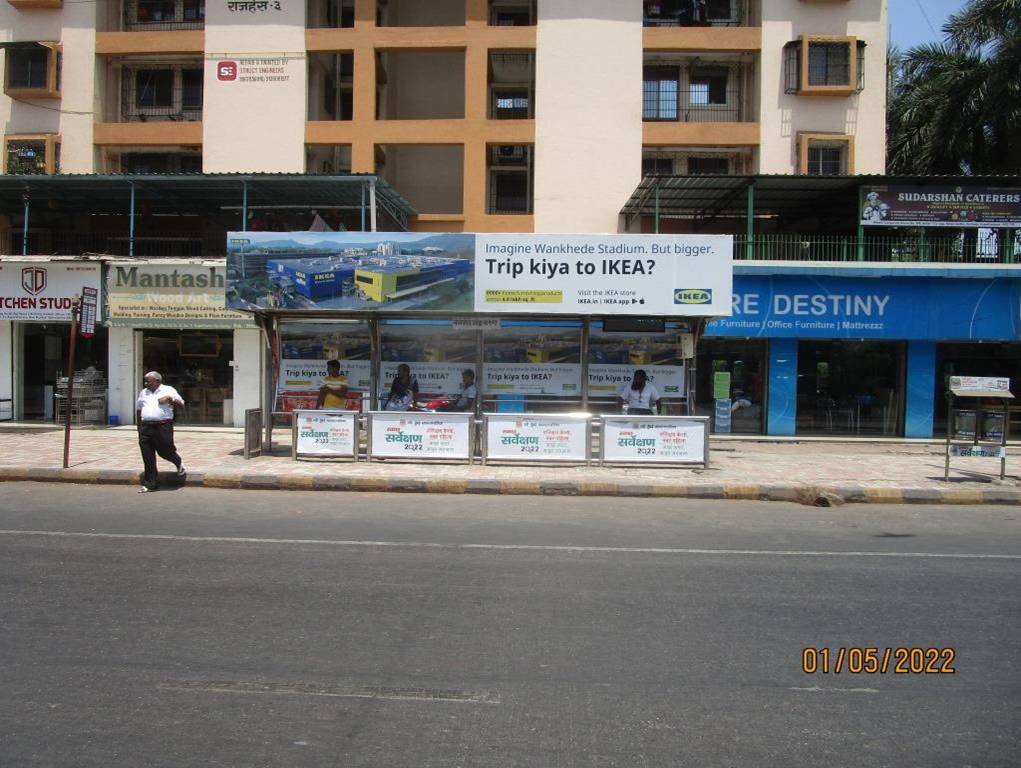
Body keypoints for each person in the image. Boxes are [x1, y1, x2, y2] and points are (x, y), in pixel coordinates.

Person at [135, 371, 185, 493]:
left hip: (163, 426)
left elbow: (181, 404)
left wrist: (170, 399)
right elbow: (139, 409)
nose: (146, 383)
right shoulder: (143, 393)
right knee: (147, 456)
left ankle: (178, 462)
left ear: (157, 381)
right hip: (146, 427)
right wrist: (139, 428)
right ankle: (150, 484)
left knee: (165, 450)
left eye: (149, 381)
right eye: (145, 381)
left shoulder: (168, 390)